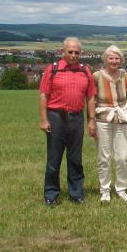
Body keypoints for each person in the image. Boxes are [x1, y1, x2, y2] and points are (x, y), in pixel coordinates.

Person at [39, 37, 97, 206]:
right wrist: (44, 120)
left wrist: (91, 120)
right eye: (70, 52)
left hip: (76, 119)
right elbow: (43, 95)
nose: (73, 55)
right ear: (63, 51)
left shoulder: (85, 71)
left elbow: (90, 98)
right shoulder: (53, 69)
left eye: (76, 52)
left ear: (80, 53)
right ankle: (51, 195)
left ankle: (76, 194)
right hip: (56, 118)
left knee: (75, 159)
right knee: (54, 159)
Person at [93, 45, 127, 203]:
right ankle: (105, 190)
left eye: (117, 58)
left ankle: (121, 189)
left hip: (122, 119)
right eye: (111, 58)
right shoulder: (97, 76)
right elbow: (91, 100)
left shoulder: (124, 75)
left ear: (121, 60)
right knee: (104, 158)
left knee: (122, 158)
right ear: (105, 59)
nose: (114, 61)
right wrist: (91, 122)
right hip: (102, 120)